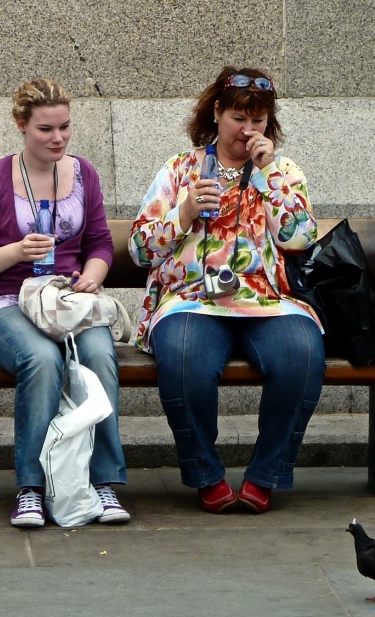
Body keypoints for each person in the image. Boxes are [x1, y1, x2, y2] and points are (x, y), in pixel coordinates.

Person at [129, 66, 325, 514]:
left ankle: (266, 474)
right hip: (191, 298)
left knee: (304, 353)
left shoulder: (283, 171)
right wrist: (183, 211)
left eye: (258, 121)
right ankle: (205, 472)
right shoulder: (181, 169)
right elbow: (140, 250)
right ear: (217, 112)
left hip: (266, 299)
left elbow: (299, 239)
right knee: (184, 358)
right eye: (239, 117)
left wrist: (270, 173)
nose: (248, 130)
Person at [0, 78, 129, 528]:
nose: (58, 138)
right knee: (42, 359)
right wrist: (16, 251)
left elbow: (100, 244)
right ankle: (31, 487)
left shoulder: (83, 173)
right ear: (21, 126)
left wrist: (92, 277)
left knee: (98, 354)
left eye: (65, 128)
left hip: (64, 298)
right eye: (45, 130)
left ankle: (102, 480)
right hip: (5, 303)